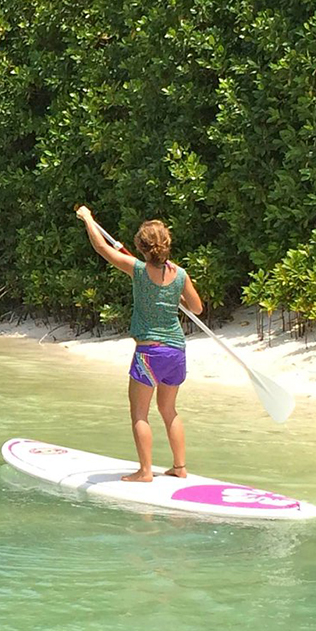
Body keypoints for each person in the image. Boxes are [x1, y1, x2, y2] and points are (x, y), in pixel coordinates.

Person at [76, 206, 203, 482]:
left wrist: (88, 219)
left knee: (139, 414)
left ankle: (146, 471)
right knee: (169, 410)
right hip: (176, 350)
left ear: (141, 247)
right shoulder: (180, 274)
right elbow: (197, 307)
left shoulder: (137, 269)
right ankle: (179, 468)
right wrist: (178, 298)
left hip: (149, 352)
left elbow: (101, 248)